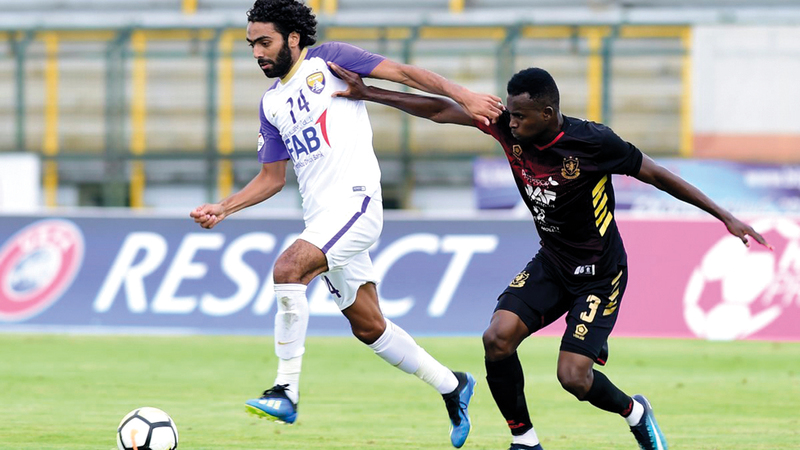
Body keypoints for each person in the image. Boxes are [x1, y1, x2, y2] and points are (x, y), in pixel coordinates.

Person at [327, 63, 772, 450]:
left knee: (573, 378)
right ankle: (524, 439)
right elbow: (441, 111)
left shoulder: (594, 142)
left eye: (520, 116)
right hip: (553, 262)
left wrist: (725, 217)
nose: (511, 122)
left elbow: (657, 174)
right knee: (497, 338)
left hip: (600, 274)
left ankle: (636, 412)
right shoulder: (507, 125)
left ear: (548, 113)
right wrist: (371, 93)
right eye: (509, 113)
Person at [189, 0, 505, 447]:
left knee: (288, 269)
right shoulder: (271, 103)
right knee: (369, 326)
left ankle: (285, 390)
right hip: (322, 219)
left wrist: (465, 96)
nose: (257, 52)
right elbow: (271, 178)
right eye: (251, 45)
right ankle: (453, 386)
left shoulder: (329, 60)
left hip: (356, 205)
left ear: (292, 38)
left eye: (265, 42)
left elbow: (405, 74)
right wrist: (223, 207)